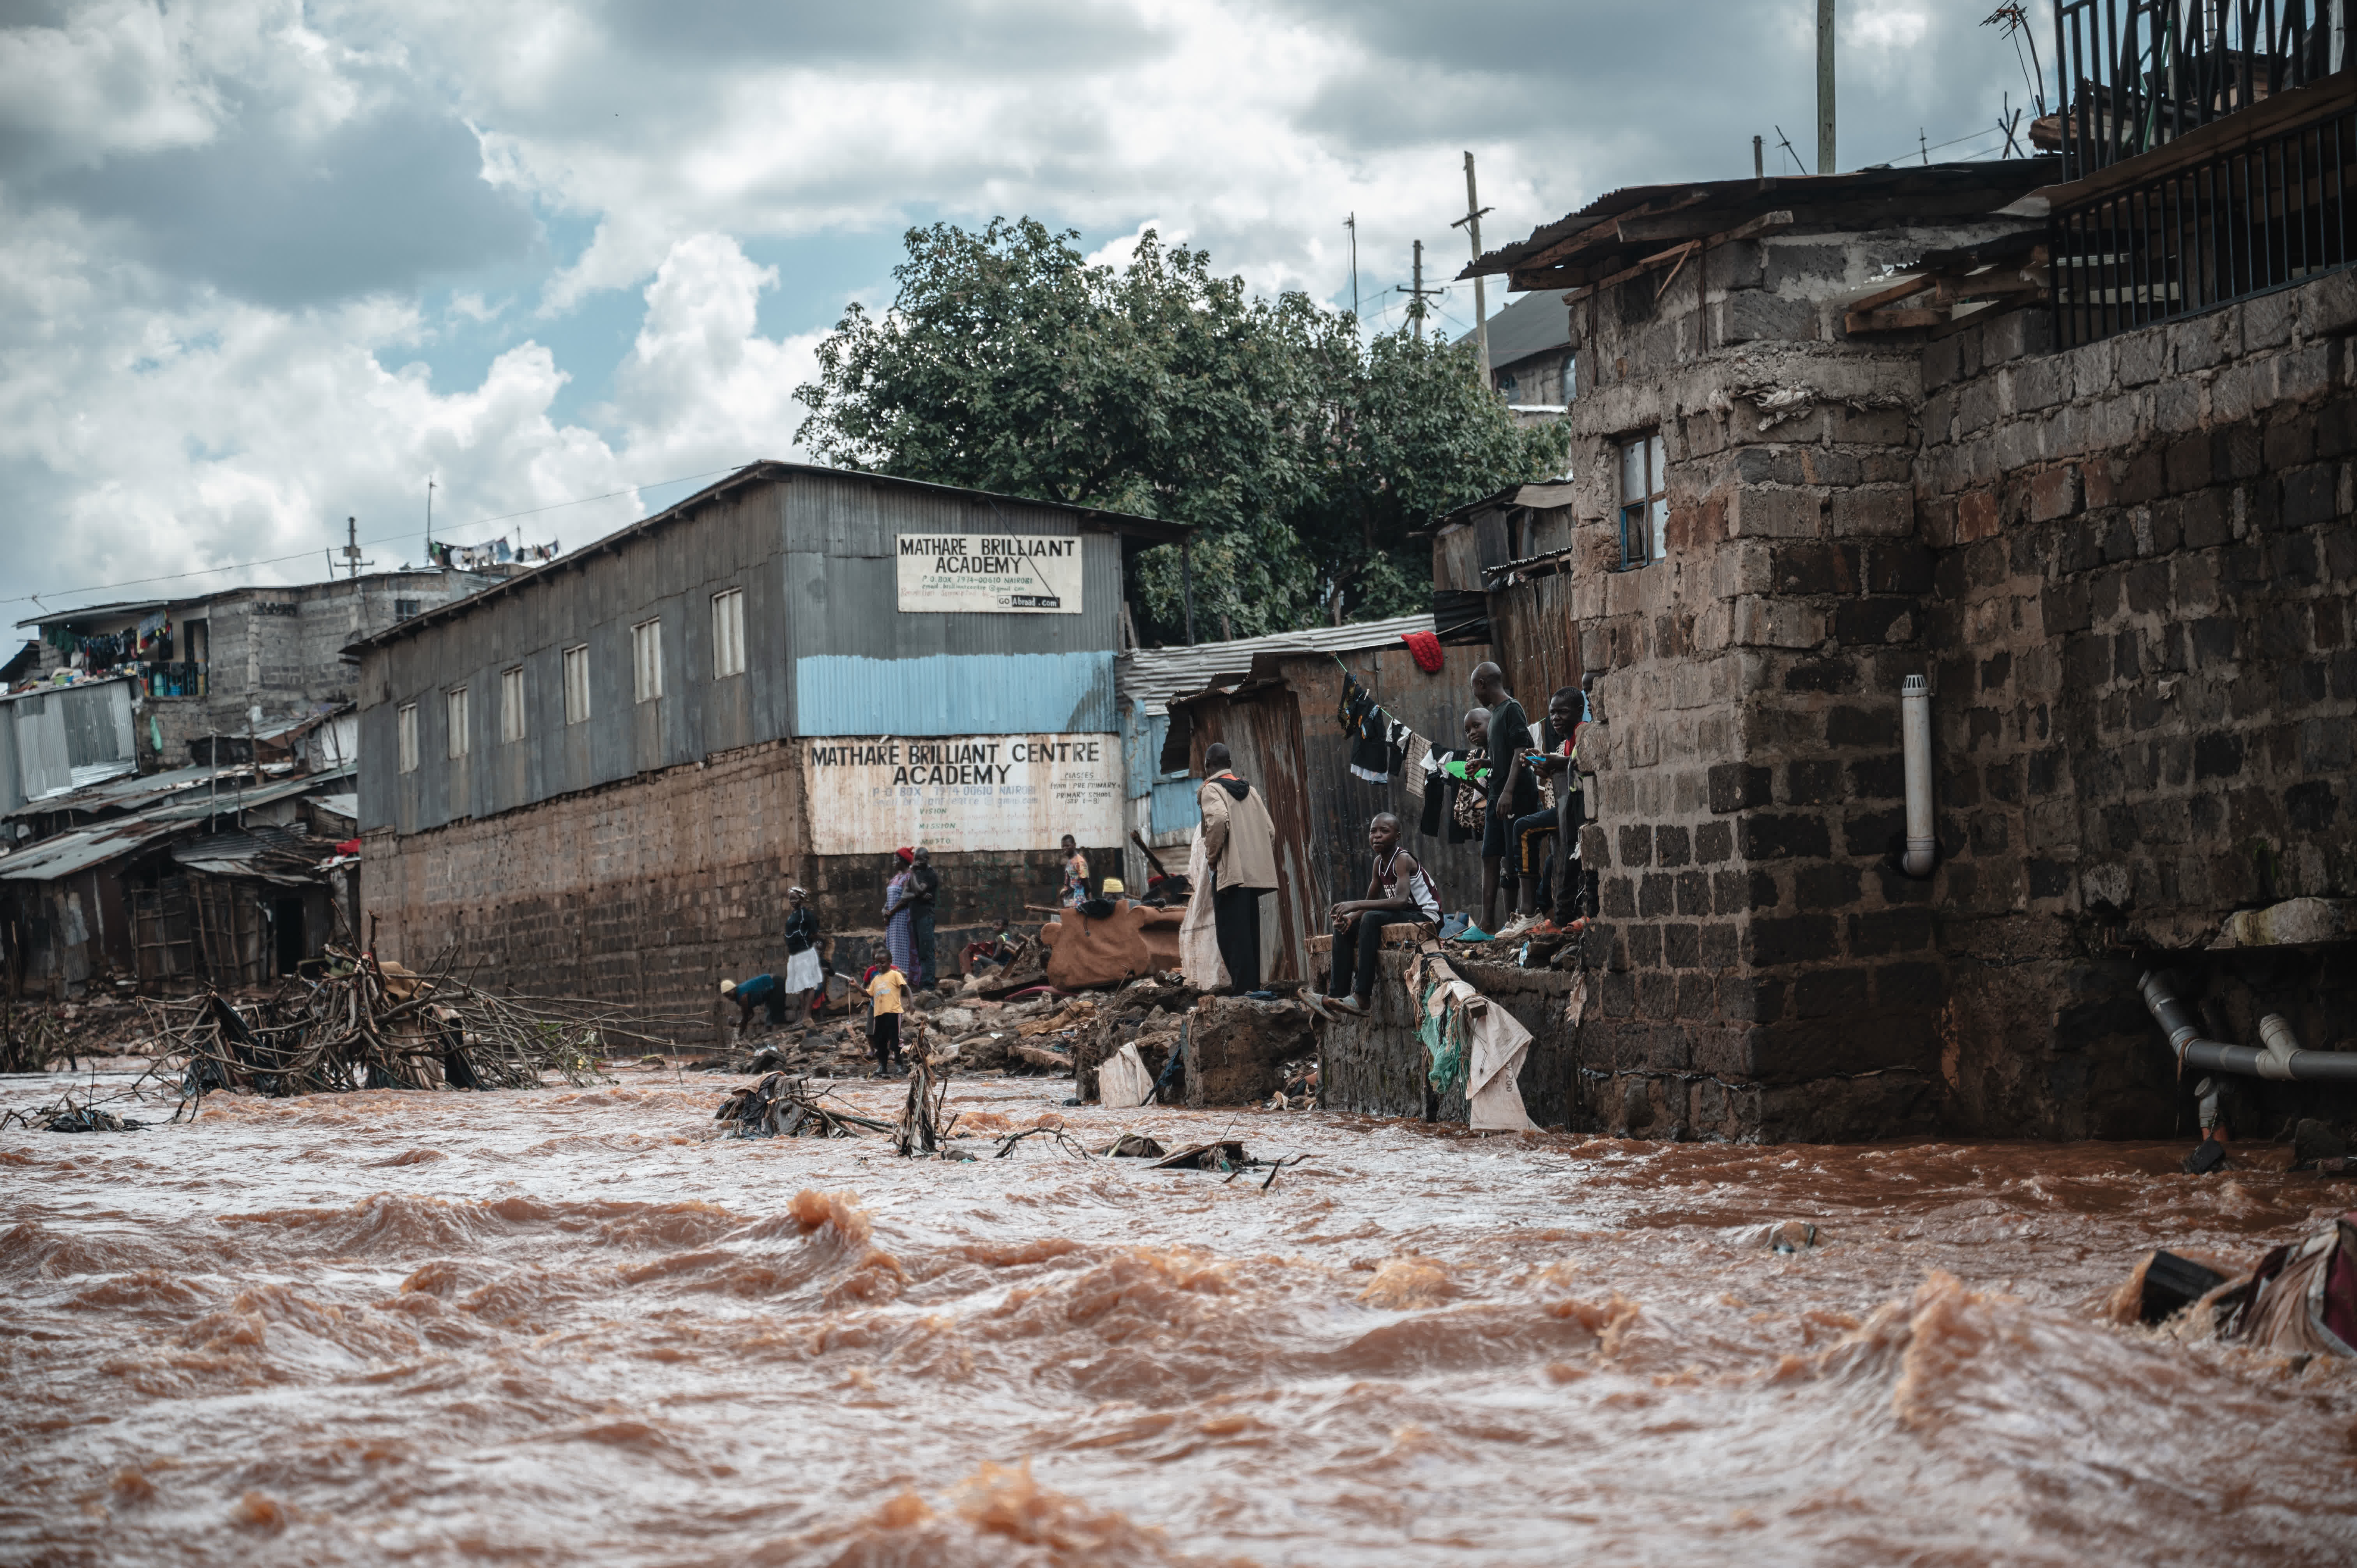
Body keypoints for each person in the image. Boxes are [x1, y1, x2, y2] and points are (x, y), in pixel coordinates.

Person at [1316, 812, 1441, 1016]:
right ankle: (1337, 997)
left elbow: (1401, 901)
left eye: (1385, 831)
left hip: (1426, 916)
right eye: (1373, 831)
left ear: (1397, 836)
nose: (1377, 836)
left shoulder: (1402, 859)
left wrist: (1354, 905)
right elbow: (1370, 902)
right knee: (1345, 927)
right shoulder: (1378, 863)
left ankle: (1362, 996)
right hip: (1406, 914)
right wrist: (1350, 918)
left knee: (1371, 918)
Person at [1501, 686, 1589, 931]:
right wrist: (1544, 766)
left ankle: (1530, 909)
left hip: (1579, 812)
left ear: (1580, 710)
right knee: (1556, 859)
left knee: (1525, 828)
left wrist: (1555, 763)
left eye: (1563, 712)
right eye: (1552, 714)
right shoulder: (1565, 744)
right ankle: (1546, 911)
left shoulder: (1584, 735)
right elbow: (1566, 772)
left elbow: (1581, 767)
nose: (1556, 718)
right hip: (1567, 811)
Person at [1196, 741, 1279, 994]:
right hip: (1251, 878)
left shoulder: (1211, 790)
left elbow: (1219, 820)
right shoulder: (1250, 791)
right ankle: (1253, 991)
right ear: (1230, 765)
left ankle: (1244, 994)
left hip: (1230, 877)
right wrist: (1253, 859)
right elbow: (1271, 832)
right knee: (1250, 935)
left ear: (1208, 766)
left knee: (1231, 937)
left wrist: (1213, 856)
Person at [1470, 662, 1541, 935]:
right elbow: (1503, 755)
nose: (1476, 696)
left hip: (1514, 794)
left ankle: (1523, 915)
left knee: (1515, 856)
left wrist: (1510, 791)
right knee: (1491, 854)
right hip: (1497, 793)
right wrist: (1485, 763)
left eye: (1475, 689)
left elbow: (1521, 750)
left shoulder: (1512, 709)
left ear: (1482, 684)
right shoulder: (1496, 714)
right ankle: (1487, 922)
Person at [781, 886, 823, 1022]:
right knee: (802, 987)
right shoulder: (793, 915)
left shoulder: (806, 915)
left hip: (805, 954)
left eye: (796, 899)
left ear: (802, 899)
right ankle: (803, 1017)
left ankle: (807, 1016)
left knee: (810, 985)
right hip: (795, 955)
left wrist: (806, 942)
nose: (793, 901)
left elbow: (815, 934)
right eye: (791, 899)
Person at [866, 962, 909, 1075]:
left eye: (883, 962)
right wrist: (856, 985)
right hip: (879, 1014)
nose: (879, 965)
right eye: (877, 962)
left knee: (895, 1041)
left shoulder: (895, 974)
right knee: (880, 1042)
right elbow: (868, 994)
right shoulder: (876, 979)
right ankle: (882, 1067)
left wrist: (912, 1004)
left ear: (889, 962)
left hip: (894, 1013)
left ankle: (899, 1066)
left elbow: (906, 988)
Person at [907, 847, 940, 988]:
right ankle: (923, 984)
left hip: (926, 916)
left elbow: (919, 889)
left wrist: (913, 874)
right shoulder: (917, 873)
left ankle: (929, 986)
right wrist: (919, 894)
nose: (919, 862)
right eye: (917, 860)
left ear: (928, 859)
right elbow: (907, 893)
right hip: (915, 915)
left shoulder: (930, 874)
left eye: (922, 860)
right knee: (921, 952)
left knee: (927, 952)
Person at [883, 849, 917, 978]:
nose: (893, 863)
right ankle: (894, 980)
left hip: (902, 920)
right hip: (892, 921)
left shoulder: (910, 877)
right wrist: (885, 913)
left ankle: (903, 982)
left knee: (902, 952)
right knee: (892, 951)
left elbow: (905, 899)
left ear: (903, 861)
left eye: (896, 860)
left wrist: (890, 913)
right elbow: (888, 900)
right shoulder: (895, 879)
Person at [720, 973, 785, 1035]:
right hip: (771, 989)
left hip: (776, 983)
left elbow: (745, 1018)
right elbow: (751, 1015)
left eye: (729, 995)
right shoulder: (738, 998)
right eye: (726, 996)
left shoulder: (743, 997)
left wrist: (740, 1033)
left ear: (733, 990)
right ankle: (769, 1039)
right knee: (769, 1018)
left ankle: (777, 1038)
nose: (729, 998)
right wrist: (739, 1024)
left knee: (775, 1016)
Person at [1059, 835, 1090, 908]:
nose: (1065, 848)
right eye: (1063, 846)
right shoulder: (1071, 861)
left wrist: (1090, 903)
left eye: (1068, 846)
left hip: (1079, 902)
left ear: (1075, 845)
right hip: (1070, 900)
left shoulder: (1079, 862)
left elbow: (1087, 885)